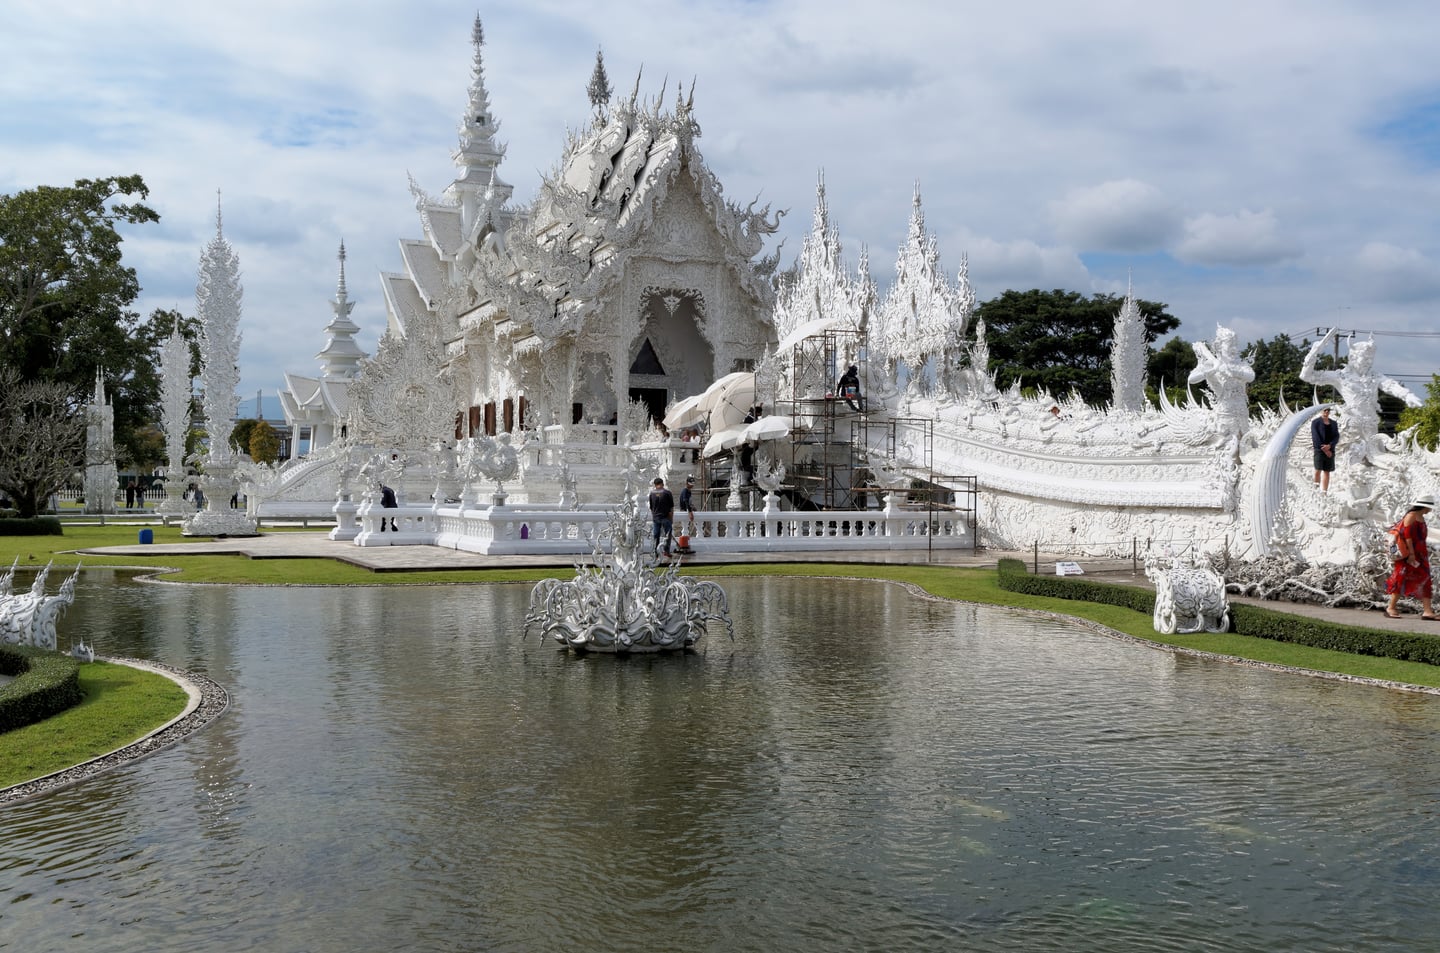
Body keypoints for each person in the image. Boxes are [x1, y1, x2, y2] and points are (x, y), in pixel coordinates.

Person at [1386, 497, 1436, 620]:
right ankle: (1391, 607)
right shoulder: (1411, 516)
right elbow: (1407, 536)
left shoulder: (1421, 517)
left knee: (1425, 579)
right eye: (1429, 507)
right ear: (1424, 506)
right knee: (1400, 578)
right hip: (1408, 554)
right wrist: (1411, 554)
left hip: (1420, 554)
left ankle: (1427, 611)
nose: (1430, 510)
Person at [1311, 406, 1340, 492]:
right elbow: (1315, 437)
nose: (1326, 412)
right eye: (1325, 410)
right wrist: (1325, 449)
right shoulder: (1315, 422)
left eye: (1328, 410)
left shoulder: (1334, 423)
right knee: (1317, 470)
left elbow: (1336, 437)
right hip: (1319, 450)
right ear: (1321, 411)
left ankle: (1324, 493)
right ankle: (1315, 491)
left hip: (1330, 450)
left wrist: (1330, 446)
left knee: (1327, 472)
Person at [648, 477, 675, 557]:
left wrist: (654, 515)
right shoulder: (667, 493)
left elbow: (651, 507)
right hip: (665, 517)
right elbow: (671, 508)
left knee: (656, 535)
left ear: (655, 485)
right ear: (662, 484)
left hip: (656, 517)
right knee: (667, 535)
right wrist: (671, 518)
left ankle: (655, 552)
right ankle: (666, 551)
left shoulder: (652, 493)